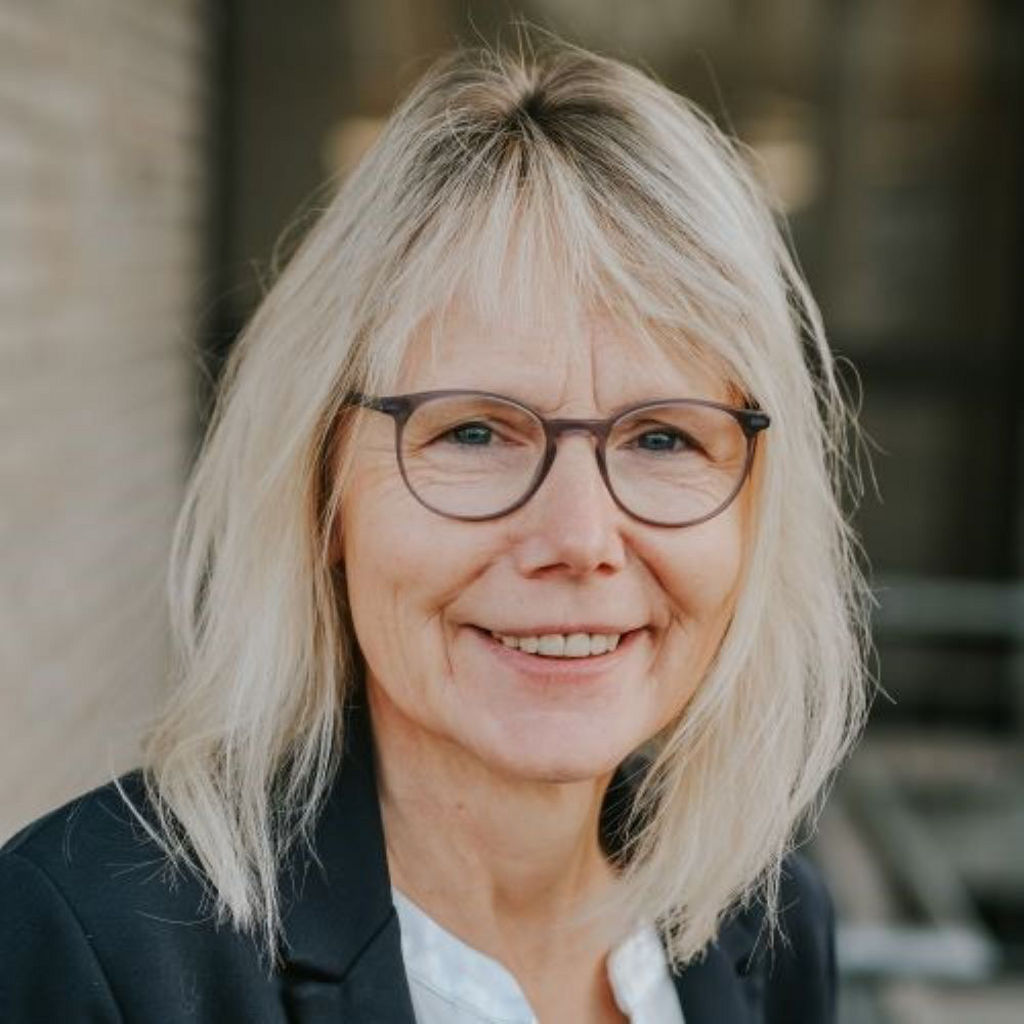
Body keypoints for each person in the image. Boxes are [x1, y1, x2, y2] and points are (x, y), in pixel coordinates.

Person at [0, 39, 870, 1023]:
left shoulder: (770, 925)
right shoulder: (92, 950)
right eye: (474, 432)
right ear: (322, 488)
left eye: (662, 437)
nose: (581, 536)